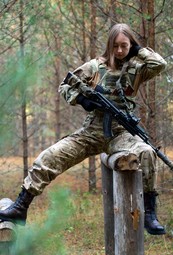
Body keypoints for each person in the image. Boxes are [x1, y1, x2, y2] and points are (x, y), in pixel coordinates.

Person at [0, 23, 167, 235]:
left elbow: (160, 64)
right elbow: (65, 86)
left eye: (124, 46)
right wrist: (80, 99)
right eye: (115, 45)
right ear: (109, 45)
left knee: (147, 152)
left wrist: (138, 50)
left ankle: (149, 215)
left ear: (131, 45)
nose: (119, 51)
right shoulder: (96, 66)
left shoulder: (137, 67)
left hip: (121, 133)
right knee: (49, 156)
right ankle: (20, 207)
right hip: (92, 132)